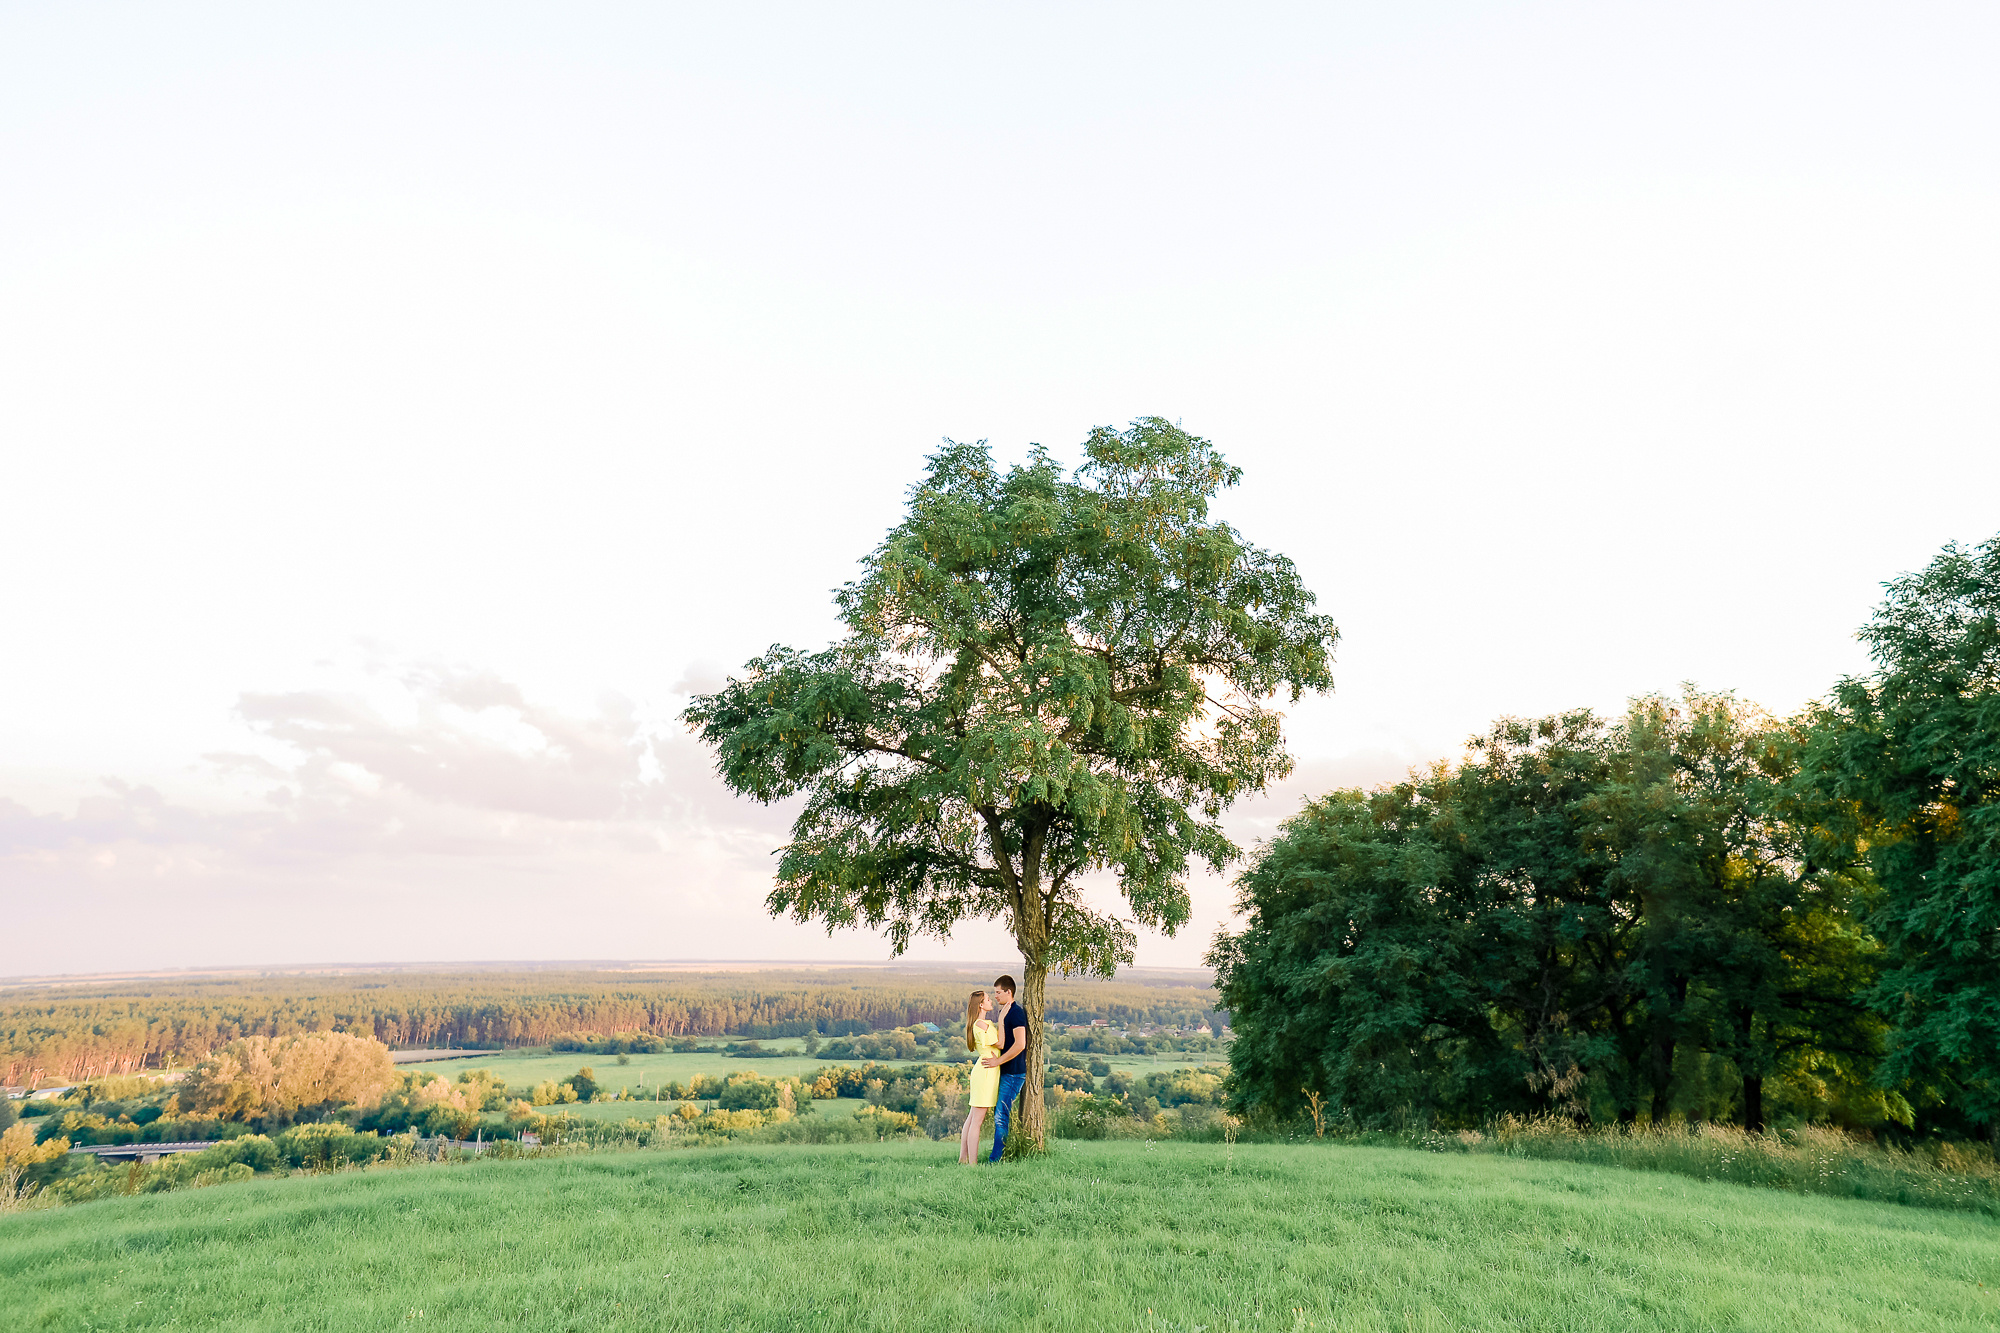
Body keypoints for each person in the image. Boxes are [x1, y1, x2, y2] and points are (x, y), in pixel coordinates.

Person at [981, 974, 1028, 1162]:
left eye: (999, 992)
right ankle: (999, 1156)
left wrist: (997, 1062)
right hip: (1007, 1072)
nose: (996, 996)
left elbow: (1020, 1044)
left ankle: (996, 1159)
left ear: (1009, 992)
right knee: (999, 1114)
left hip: (1014, 1073)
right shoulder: (1006, 1012)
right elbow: (1003, 1043)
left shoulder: (1016, 1013)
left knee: (1001, 1116)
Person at [960, 989, 998, 1164]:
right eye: (988, 999)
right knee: (977, 1121)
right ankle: (973, 1164)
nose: (992, 1001)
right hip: (985, 1072)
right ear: (981, 1005)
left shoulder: (978, 1023)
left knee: (972, 1118)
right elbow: (1001, 1042)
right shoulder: (982, 1025)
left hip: (983, 1071)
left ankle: (963, 1158)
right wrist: (1004, 1021)